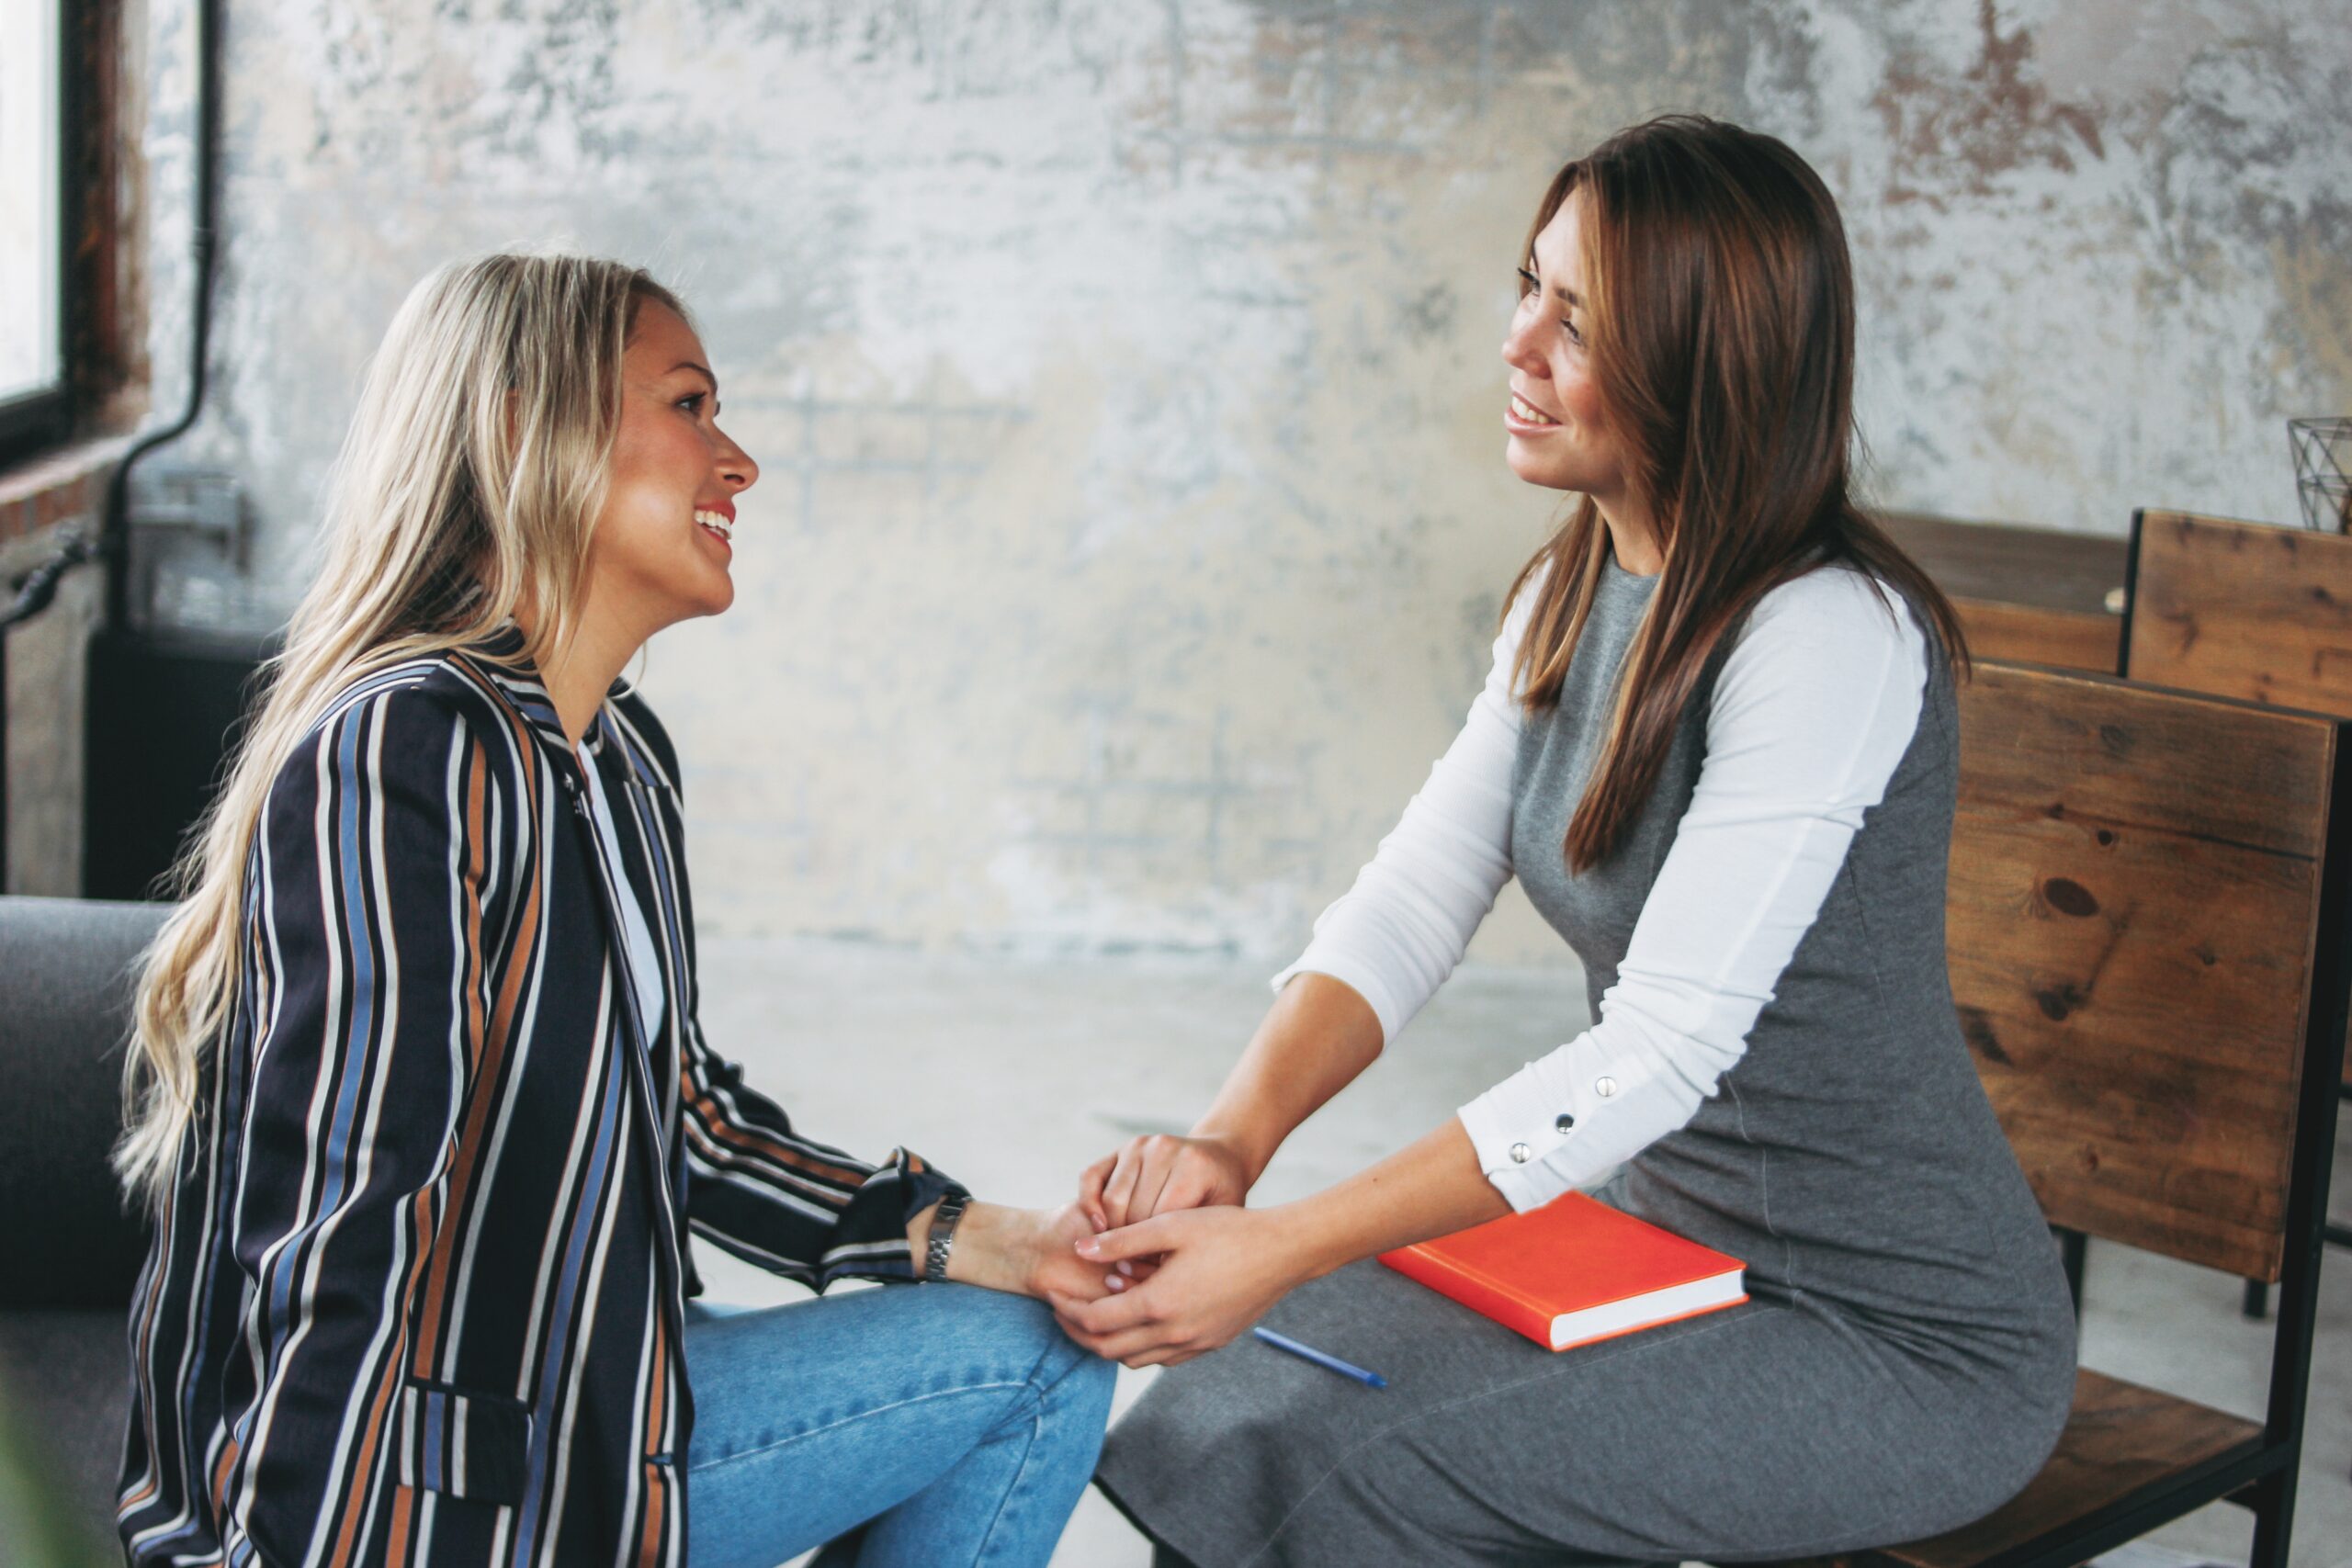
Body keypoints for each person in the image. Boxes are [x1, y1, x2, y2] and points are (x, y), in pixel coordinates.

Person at [1059, 115, 2077, 1567]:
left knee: (1362, 1478)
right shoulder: (1576, 581)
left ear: (1703, 363)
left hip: (1890, 1332)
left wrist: (1288, 1242)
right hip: (1660, 1241)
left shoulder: (1829, 633)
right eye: (1526, 286)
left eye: (1578, 319)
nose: (1516, 342)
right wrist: (1235, 1143)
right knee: (1236, 1404)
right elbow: (1414, 901)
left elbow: (1657, 1051)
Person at [111, 254, 1115, 1568]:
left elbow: (688, 1121)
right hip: (440, 1492)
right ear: (530, 429)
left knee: (1046, 1344)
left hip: (599, 1400)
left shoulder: (619, 757)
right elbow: (352, 1225)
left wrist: (989, 1237)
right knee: (1040, 1376)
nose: (737, 461)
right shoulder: (406, 753)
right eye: (691, 404)